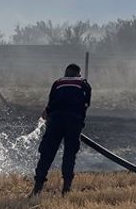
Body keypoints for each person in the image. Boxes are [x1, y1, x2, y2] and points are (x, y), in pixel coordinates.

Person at [32, 63, 92, 196]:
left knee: (46, 154)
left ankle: (37, 188)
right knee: (69, 154)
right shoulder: (84, 84)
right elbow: (86, 104)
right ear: (79, 74)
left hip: (55, 121)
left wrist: (48, 115)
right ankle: (66, 189)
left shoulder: (58, 83)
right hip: (74, 122)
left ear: (65, 73)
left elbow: (49, 105)